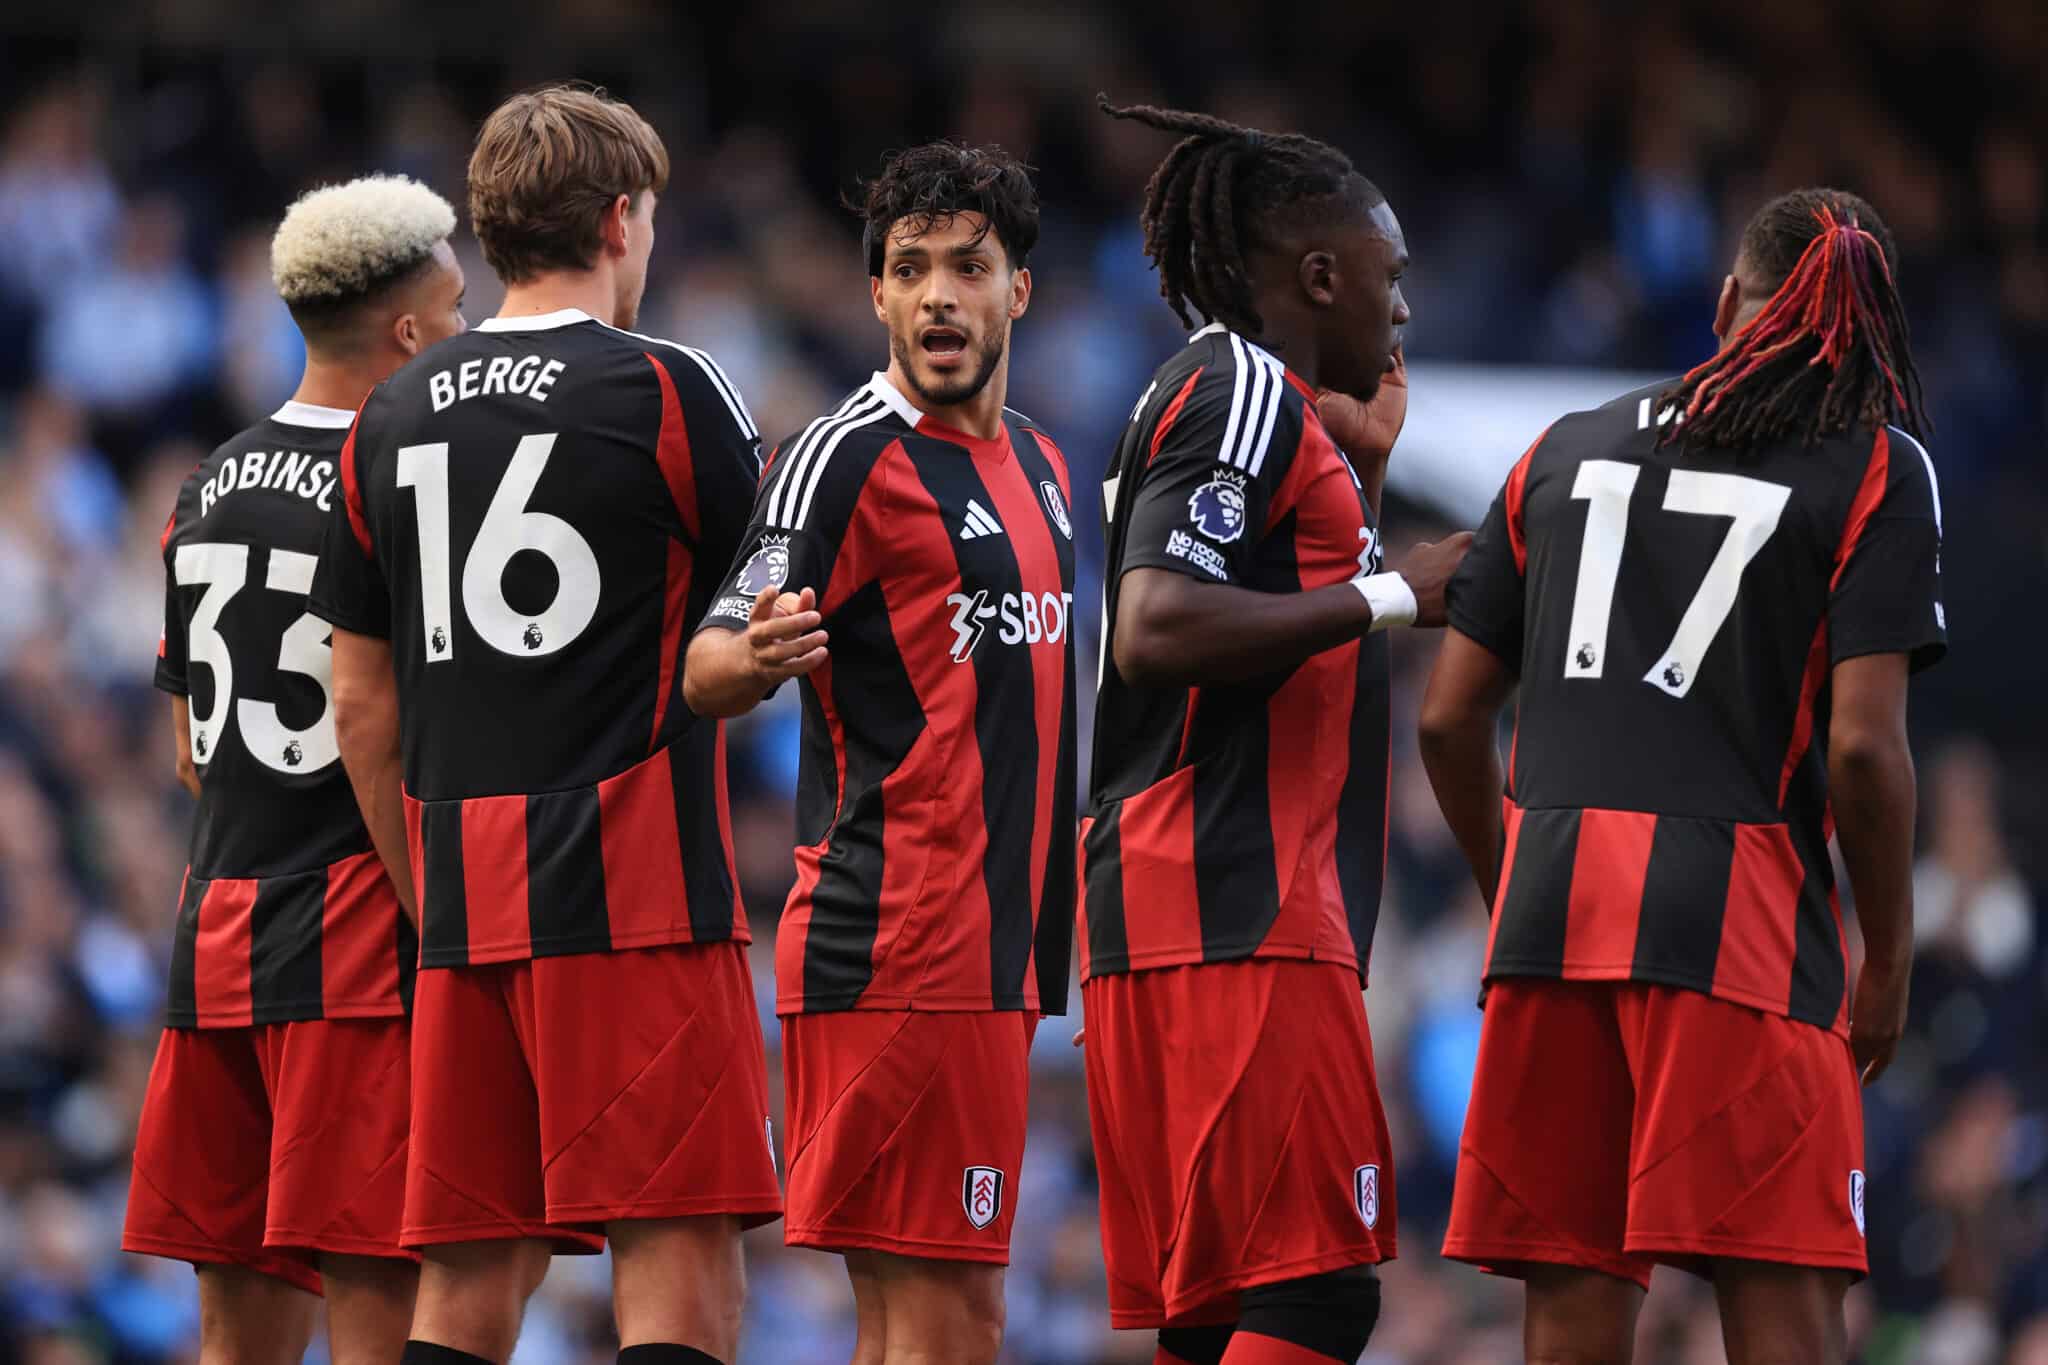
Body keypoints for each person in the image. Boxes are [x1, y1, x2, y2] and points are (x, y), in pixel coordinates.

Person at [1419, 187, 1945, 1365]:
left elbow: (1448, 719)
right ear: (1864, 335)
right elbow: (1864, 746)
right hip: (1735, 920)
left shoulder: (1563, 444)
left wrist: (1515, 888)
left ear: (1724, 304)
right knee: (1783, 1299)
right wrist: (1890, 959)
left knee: (1570, 1305)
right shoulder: (1873, 468)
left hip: (1551, 915)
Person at [311, 86, 776, 1365]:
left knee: (464, 1292)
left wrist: (432, 898)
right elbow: (777, 597)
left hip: (467, 906)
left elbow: (361, 705)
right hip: (637, 900)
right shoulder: (671, 388)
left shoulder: (386, 416)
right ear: (622, 220)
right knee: (681, 1283)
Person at [1081, 99, 1470, 1365]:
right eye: (1388, 276)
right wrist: (1391, 591)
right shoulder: (1237, 383)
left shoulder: (1254, 407)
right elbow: (1154, 623)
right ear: (1318, 274)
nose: (1401, 308)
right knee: (1317, 1296)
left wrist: (1348, 475)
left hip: (1174, 919)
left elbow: (1235, 610)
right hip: (1236, 911)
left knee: (1217, 1319)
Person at [684, 141, 1075, 1365]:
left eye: (969, 265)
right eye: (909, 269)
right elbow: (706, 661)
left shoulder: (1051, 471)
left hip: (995, 953)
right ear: (875, 297)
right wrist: (754, 657)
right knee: (940, 1321)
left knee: (947, 1321)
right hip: (900, 941)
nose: (938, 295)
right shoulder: (844, 453)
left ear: (1019, 289)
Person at [123, 174, 466, 1365]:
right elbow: (383, 722)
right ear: (409, 333)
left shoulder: (202, 486)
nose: (467, 336)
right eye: (457, 313)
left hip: (217, 933)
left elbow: (186, 754)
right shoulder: (404, 487)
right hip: (355, 942)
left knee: (239, 1338)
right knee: (382, 1315)